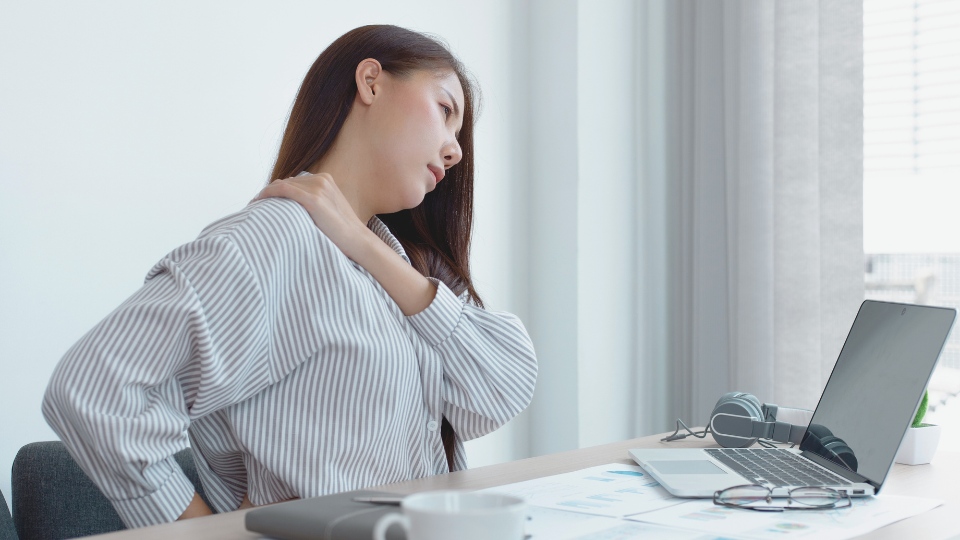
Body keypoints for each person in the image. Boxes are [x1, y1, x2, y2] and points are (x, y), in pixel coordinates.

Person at [42, 24, 537, 529]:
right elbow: (90, 391)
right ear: (371, 82)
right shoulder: (274, 239)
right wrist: (207, 534)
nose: (454, 151)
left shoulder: (397, 261)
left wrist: (364, 245)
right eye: (445, 110)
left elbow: (504, 384)